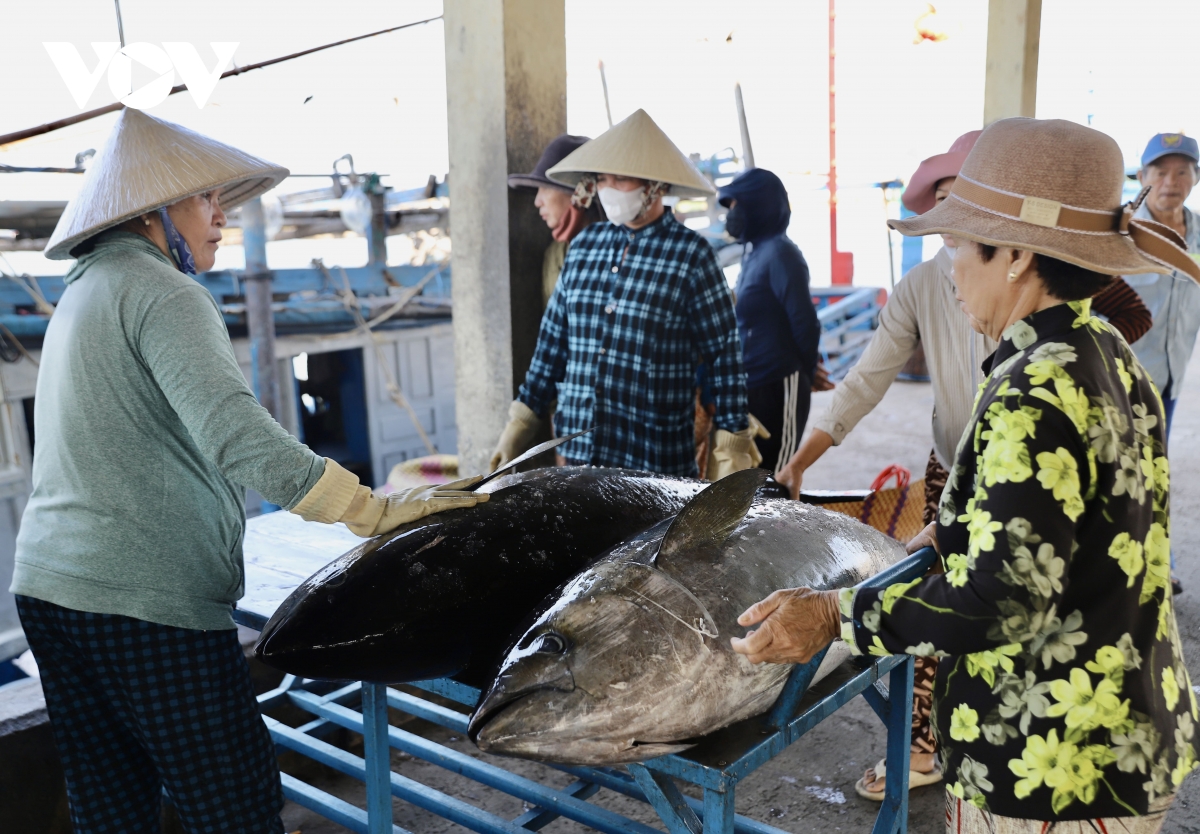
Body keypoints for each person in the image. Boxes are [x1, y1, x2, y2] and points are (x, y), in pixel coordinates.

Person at [13, 109, 487, 833]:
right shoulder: (166, 294)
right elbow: (240, 438)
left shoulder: (83, 291)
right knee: (236, 811)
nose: (220, 219)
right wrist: (375, 513)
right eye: (207, 201)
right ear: (153, 210)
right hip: (144, 600)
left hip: (50, 589)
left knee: (112, 809)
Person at [733, 118, 1199, 831]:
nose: (948, 270)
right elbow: (1060, 520)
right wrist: (943, 533)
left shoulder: (1031, 392)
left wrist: (836, 615)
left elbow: (998, 605)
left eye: (955, 246)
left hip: (1053, 762)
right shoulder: (1101, 346)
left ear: (1014, 254)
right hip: (1129, 724)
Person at [490, 109, 756, 479]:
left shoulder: (692, 256)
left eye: (622, 178)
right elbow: (551, 348)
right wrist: (519, 425)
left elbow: (725, 360)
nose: (609, 188)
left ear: (656, 185)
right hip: (577, 454)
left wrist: (731, 445)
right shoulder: (584, 247)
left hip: (654, 461)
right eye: (602, 179)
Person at [717, 168, 820, 473]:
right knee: (752, 479)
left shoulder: (781, 253)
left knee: (778, 476)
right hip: (754, 385)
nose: (731, 214)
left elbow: (805, 324)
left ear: (757, 205)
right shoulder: (753, 252)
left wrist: (805, 375)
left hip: (780, 384)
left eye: (735, 205)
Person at [1126, 133, 1200, 439]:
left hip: (1172, 375)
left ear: (1195, 178)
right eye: (1160, 172)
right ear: (1143, 176)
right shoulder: (1119, 233)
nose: (1171, 181)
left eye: (1182, 171)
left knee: (1156, 458)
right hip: (1121, 377)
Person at [507, 133, 604, 307]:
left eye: (545, 188)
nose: (537, 202)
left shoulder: (619, 249)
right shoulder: (555, 254)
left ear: (580, 193)